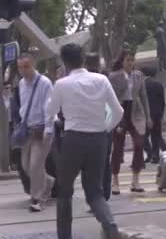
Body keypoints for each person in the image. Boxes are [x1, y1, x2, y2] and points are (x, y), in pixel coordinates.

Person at [47, 43, 124, 239]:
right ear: (82, 59)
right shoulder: (101, 80)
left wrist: (57, 121)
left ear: (64, 62)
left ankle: (65, 236)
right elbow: (118, 112)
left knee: (65, 192)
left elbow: (49, 113)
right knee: (95, 192)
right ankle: (110, 225)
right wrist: (105, 128)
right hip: (99, 140)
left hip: (73, 140)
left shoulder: (62, 84)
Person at [15, 53, 55, 212]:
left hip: (41, 130)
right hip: (27, 130)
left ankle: (38, 198)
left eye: (26, 66)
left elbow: (50, 107)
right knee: (26, 166)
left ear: (33, 65)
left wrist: (49, 128)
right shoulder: (21, 84)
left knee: (35, 165)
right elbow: (23, 106)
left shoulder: (45, 83)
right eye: (20, 67)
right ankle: (49, 181)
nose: (23, 70)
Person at [108, 49, 151, 194]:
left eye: (132, 60)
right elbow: (111, 98)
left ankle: (135, 179)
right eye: (128, 60)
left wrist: (148, 116)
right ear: (122, 61)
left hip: (135, 110)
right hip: (120, 110)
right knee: (118, 148)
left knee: (139, 143)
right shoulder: (114, 76)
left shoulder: (138, 75)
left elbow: (143, 96)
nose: (131, 63)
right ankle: (115, 180)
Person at [84, 52, 113, 202]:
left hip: (86, 127)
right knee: (104, 162)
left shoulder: (80, 81)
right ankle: (104, 194)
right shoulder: (104, 79)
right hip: (104, 126)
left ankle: (94, 195)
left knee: (89, 164)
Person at [143, 67, 166, 164]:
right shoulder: (158, 84)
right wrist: (161, 114)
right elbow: (162, 101)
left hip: (145, 114)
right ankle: (156, 155)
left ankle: (150, 153)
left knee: (143, 135)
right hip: (157, 114)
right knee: (156, 135)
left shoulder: (142, 85)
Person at [0, 83, 15, 171]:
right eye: (6, 88)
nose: (8, 90)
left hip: (11, 124)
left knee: (11, 145)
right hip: (1, 126)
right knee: (4, 146)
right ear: (2, 90)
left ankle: (11, 164)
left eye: (9, 88)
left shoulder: (13, 100)